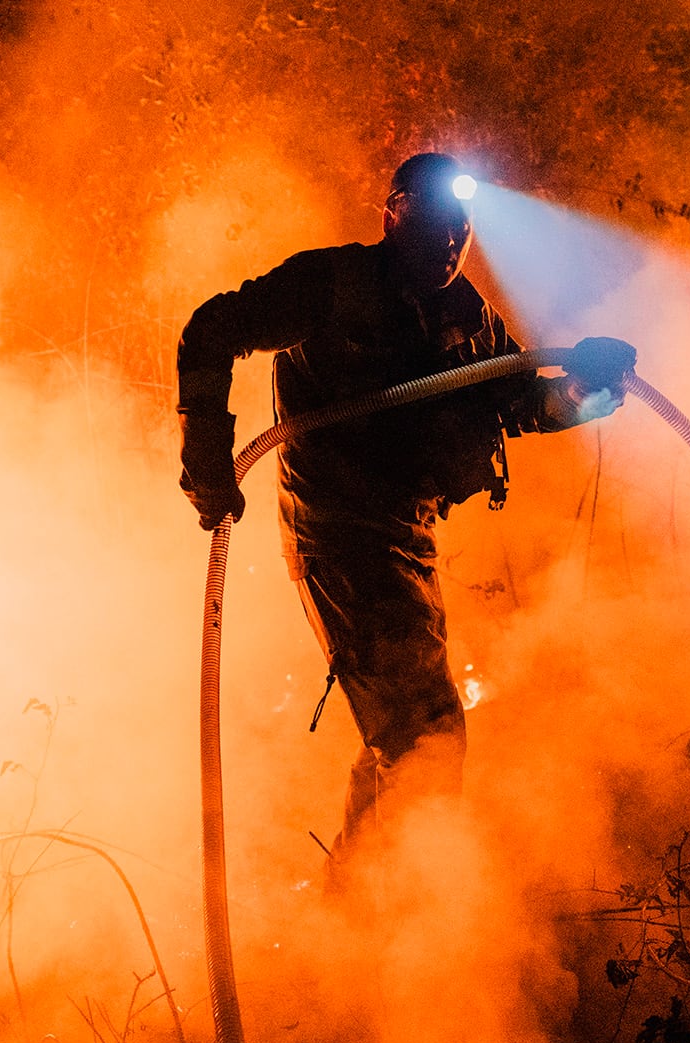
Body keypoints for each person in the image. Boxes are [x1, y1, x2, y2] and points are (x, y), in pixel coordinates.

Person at [175, 151, 635, 871]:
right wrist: (204, 448)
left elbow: (521, 403)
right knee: (426, 735)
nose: (450, 245)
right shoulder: (332, 284)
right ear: (392, 216)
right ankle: (400, 919)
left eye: (461, 231)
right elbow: (212, 330)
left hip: (405, 543)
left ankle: (358, 916)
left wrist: (586, 387)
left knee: (401, 733)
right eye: (432, 227)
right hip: (338, 534)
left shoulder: (466, 316)